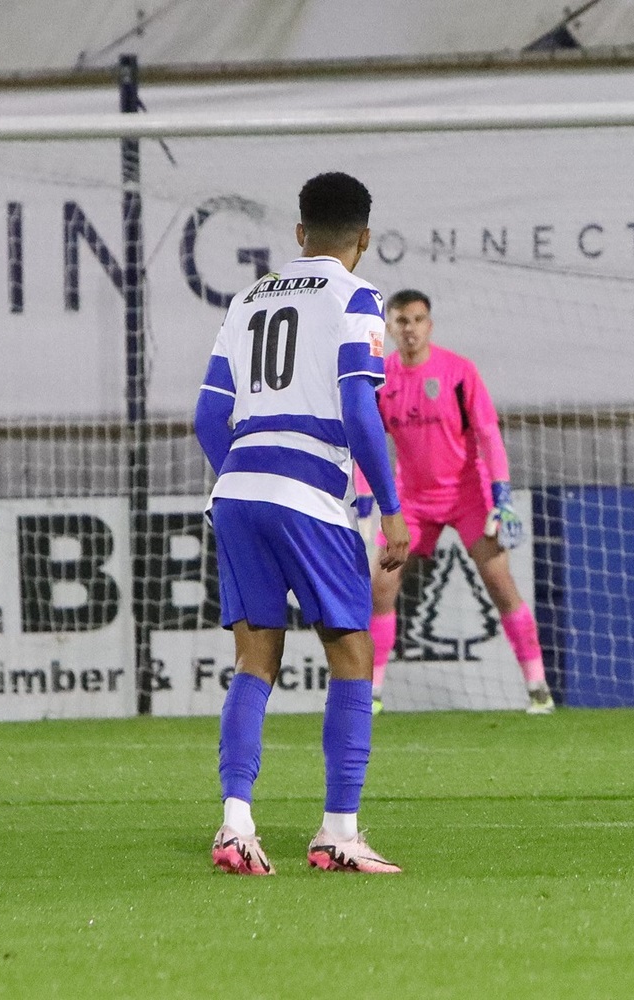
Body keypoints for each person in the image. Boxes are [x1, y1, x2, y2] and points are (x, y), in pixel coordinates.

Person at [194, 171, 411, 875]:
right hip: (310, 492)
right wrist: (390, 506)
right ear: (363, 239)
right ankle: (337, 833)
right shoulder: (358, 298)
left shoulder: (248, 297)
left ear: (298, 234)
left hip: (237, 487)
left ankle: (234, 826)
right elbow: (358, 409)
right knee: (351, 655)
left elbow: (205, 417)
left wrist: (244, 477)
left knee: (254, 661)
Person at [361, 289, 552, 716]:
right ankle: (370, 692)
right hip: (410, 501)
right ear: (388, 328)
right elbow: (368, 445)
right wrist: (363, 500)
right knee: (381, 587)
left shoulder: (459, 372)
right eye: (401, 321)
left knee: (502, 586)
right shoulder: (379, 379)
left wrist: (501, 494)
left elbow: (487, 434)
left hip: (469, 496)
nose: (409, 329)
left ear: (430, 325)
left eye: (417, 319)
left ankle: (538, 686)